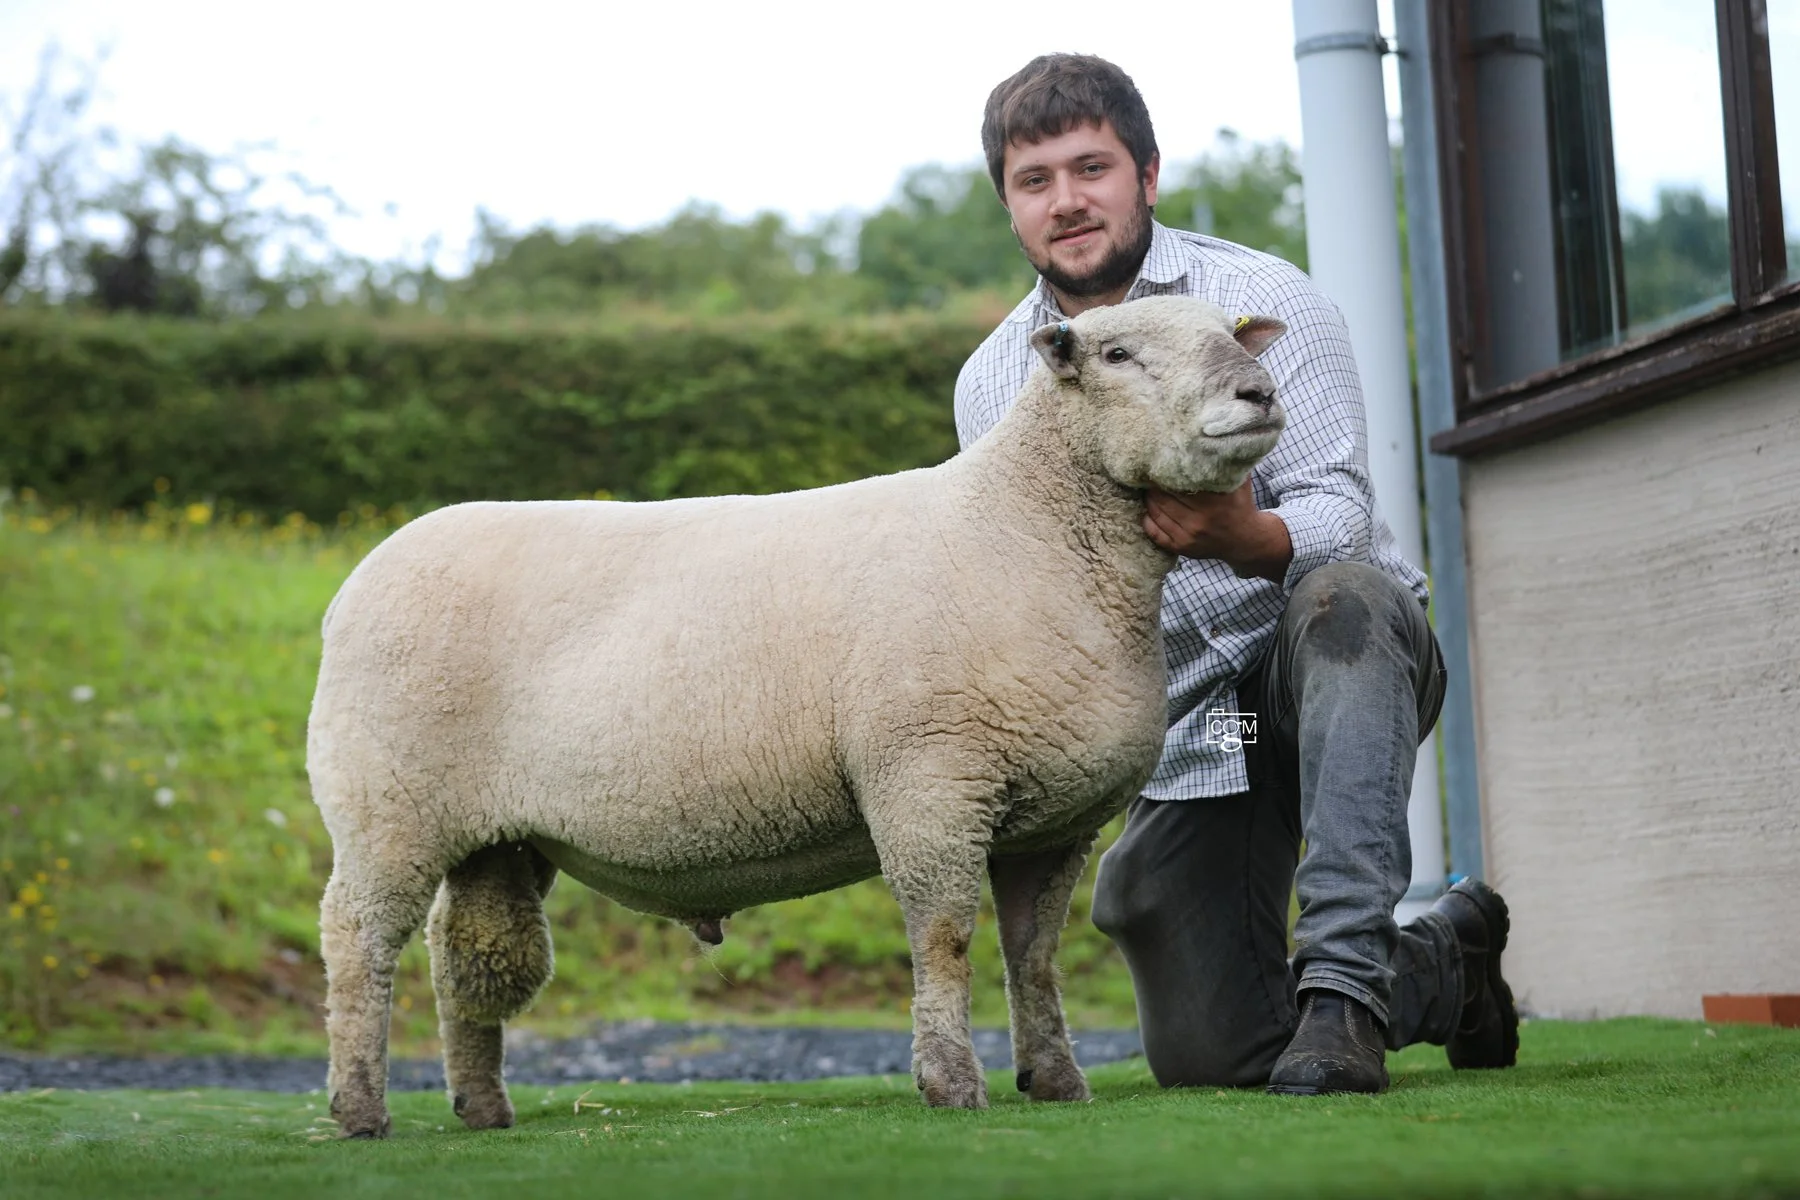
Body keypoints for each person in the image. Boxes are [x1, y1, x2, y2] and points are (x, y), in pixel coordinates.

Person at [955, 52, 1518, 1094]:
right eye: (1035, 182)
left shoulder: (1259, 299)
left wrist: (1240, 537)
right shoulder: (998, 385)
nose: (1068, 202)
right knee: (1219, 1054)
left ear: (1149, 175)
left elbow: (1342, 516)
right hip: (1202, 732)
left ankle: (1349, 987)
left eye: (1093, 168)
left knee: (1341, 596)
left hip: (1330, 666)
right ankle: (1447, 963)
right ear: (1010, 203)